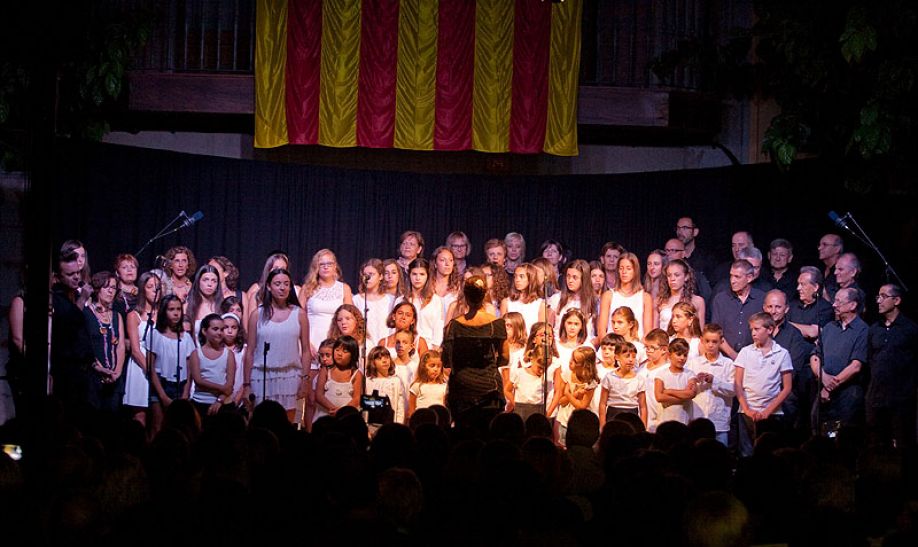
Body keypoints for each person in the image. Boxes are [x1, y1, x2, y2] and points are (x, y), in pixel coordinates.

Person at [243, 268, 311, 422]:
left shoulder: (299, 314)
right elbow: (250, 351)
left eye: (286, 284)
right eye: (278, 284)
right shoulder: (257, 315)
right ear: (269, 286)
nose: (282, 288)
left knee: (288, 422)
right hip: (262, 376)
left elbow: (306, 350)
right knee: (261, 421)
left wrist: (305, 380)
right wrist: (246, 385)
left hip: (290, 376)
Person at [441, 275, 509, 426]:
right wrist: (489, 365)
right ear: (485, 295)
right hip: (490, 388)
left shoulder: (454, 325)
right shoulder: (497, 324)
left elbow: (446, 361)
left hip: (462, 389)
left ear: (465, 296)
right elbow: (505, 357)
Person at [867, 284, 918, 452]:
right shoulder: (875, 329)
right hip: (876, 397)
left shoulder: (910, 329)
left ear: (896, 300)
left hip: (901, 398)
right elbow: (870, 358)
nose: (879, 301)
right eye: (878, 297)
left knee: (904, 444)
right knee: (877, 445)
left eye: (883, 296)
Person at [734, 312, 793, 457]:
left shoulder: (782, 353)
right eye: (751, 329)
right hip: (747, 412)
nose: (753, 333)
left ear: (770, 329)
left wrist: (768, 411)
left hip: (772, 413)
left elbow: (787, 387)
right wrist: (747, 409)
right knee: (746, 454)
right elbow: (737, 383)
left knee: (769, 453)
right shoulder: (745, 352)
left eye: (757, 329)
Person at [810, 287, 868, 432]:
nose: (834, 305)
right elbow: (815, 356)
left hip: (848, 394)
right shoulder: (829, 327)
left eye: (839, 302)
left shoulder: (863, 330)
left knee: (843, 433)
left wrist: (829, 387)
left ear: (852, 305)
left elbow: (856, 366)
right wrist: (823, 377)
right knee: (818, 430)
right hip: (822, 389)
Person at [50, 251, 95, 410]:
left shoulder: (74, 295)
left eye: (78, 272)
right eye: (70, 274)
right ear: (57, 277)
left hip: (83, 371)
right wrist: (82, 299)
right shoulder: (55, 298)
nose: (76, 277)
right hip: (66, 371)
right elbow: (68, 325)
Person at [148, 295, 195, 434]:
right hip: (161, 384)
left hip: (180, 385)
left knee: (179, 427)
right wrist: (162, 396)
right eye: (171, 309)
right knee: (158, 426)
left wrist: (186, 392)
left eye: (179, 309)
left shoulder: (185, 337)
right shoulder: (155, 335)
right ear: (164, 311)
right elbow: (151, 368)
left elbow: (190, 368)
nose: (176, 313)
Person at [763, 289, 809, 431]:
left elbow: (792, 370)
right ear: (764, 308)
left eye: (778, 307)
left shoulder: (794, 335)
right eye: (770, 307)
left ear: (786, 309)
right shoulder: (757, 332)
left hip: (784, 396)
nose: (773, 311)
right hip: (759, 394)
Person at [83, 271, 126, 414]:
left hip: (114, 378)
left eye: (113, 287)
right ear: (98, 288)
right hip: (94, 377)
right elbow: (86, 346)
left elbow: (120, 346)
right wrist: (100, 369)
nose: (110, 291)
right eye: (106, 287)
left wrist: (117, 372)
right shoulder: (86, 313)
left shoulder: (116, 316)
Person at [123, 271, 161, 426]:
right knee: (140, 416)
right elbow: (135, 350)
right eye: (150, 287)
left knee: (158, 416)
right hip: (141, 366)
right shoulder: (134, 315)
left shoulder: (164, 313)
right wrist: (151, 371)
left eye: (157, 287)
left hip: (160, 364)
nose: (154, 291)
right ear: (143, 290)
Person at [688, 324, 735, 446]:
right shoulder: (693, 363)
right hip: (698, 419)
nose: (710, 345)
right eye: (707, 341)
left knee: (720, 452)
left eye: (714, 342)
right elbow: (686, 388)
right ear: (702, 340)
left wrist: (714, 380)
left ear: (721, 342)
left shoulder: (728, 364)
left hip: (719, 421)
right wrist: (694, 381)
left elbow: (734, 390)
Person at [711, 259, 766, 359]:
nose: (732, 281)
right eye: (731, 276)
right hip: (725, 359)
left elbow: (766, 332)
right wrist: (735, 356)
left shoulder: (761, 299)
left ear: (749, 278)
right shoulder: (721, 299)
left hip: (755, 358)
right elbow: (716, 332)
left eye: (737, 277)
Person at [189, 314, 236, 418]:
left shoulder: (229, 354)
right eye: (215, 329)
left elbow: (229, 384)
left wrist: (219, 400)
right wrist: (222, 388)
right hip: (200, 402)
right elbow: (198, 380)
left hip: (223, 404)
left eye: (221, 329)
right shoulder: (196, 354)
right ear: (204, 331)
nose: (219, 333)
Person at [597, 252, 653, 339]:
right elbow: (601, 331)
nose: (624, 272)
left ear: (635, 271)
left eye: (628, 268)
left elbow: (648, 333)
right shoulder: (608, 296)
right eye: (621, 268)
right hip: (612, 345)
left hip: (636, 344)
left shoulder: (645, 298)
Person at [550, 346, 599, 445]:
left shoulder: (590, 382)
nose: (570, 362)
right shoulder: (567, 374)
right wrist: (575, 394)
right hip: (565, 421)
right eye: (571, 358)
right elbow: (561, 402)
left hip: (581, 423)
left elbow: (581, 407)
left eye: (575, 361)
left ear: (585, 365)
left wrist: (568, 394)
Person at [598, 341, 647, 428]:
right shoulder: (609, 377)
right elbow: (602, 403)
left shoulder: (639, 379)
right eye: (627, 356)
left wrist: (643, 427)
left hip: (632, 415)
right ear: (617, 357)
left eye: (633, 357)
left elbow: (643, 406)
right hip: (613, 414)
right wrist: (602, 425)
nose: (631, 360)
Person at [314, 335, 362, 420]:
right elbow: (319, 395)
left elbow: (356, 399)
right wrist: (333, 409)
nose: (339, 353)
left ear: (353, 355)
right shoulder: (325, 370)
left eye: (345, 351)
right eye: (337, 350)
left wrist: (341, 412)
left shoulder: (356, 374)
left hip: (346, 417)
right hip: (325, 415)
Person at [549, 260, 596, 343]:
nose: (570, 280)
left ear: (584, 279)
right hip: (559, 345)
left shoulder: (594, 301)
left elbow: (598, 334)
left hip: (584, 346)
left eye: (575, 277)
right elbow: (548, 328)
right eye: (568, 276)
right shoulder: (556, 299)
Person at [654, 337, 698, 426]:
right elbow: (659, 397)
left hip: (684, 422)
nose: (682, 358)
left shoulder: (690, 374)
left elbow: (691, 394)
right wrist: (684, 396)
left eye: (685, 355)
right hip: (665, 422)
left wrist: (669, 391)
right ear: (669, 355)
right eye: (679, 354)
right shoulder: (661, 374)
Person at [787, 266, 834, 346]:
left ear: (815, 287)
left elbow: (813, 332)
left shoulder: (825, 308)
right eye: (798, 284)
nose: (798, 288)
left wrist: (786, 324)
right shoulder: (792, 305)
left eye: (803, 284)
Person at [404, 258, 446, 348]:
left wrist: (435, 347)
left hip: (429, 347)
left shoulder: (435, 300)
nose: (418, 278)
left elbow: (438, 327)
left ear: (427, 276)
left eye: (422, 274)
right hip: (406, 348)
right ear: (409, 275)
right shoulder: (401, 300)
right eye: (414, 274)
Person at [352, 258, 396, 346]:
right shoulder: (356, 300)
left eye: (371, 274)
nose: (367, 278)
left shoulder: (390, 300)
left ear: (380, 276)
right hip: (364, 346)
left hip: (385, 346)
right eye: (365, 275)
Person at [656, 258, 706, 334]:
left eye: (677, 275)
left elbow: (700, 332)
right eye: (669, 275)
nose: (672, 279)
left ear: (686, 277)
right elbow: (654, 332)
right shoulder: (659, 301)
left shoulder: (698, 301)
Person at [365, 345, 406, 429]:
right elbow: (365, 407)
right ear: (373, 362)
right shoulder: (368, 382)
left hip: (391, 426)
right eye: (379, 358)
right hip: (371, 425)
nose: (384, 361)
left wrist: (398, 425)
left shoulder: (396, 381)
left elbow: (400, 407)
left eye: (387, 357)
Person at [505, 344, 548, 421]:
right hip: (521, 410)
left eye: (544, 368)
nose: (541, 371)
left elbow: (546, 394)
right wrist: (516, 404)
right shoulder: (519, 373)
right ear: (532, 359)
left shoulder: (545, 377)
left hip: (538, 411)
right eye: (539, 367)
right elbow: (507, 390)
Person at [500, 263, 546, 335]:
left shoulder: (540, 304)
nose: (517, 280)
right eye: (515, 276)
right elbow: (502, 329)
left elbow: (541, 330)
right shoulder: (506, 302)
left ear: (531, 279)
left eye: (521, 276)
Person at [640, 329, 671, 432]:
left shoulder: (668, 370)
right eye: (646, 347)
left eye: (652, 348)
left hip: (659, 421)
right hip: (641, 420)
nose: (648, 351)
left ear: (664, 349)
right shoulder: (641, 369)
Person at [185, 264, 224, 339]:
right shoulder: (186, 307)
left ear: (217, 285)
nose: (209, 284)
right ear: (198, 282)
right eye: (205, 280)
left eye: (214, 281)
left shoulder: (222, 307)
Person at [408, 350, 448, 417]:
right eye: (432, 366)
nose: (435, 369)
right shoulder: (417, 386)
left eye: (438, 366)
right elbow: (411, 409)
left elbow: (444, 408)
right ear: (423, 366)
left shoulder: (443, 387)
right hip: (421, 419)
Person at [221, 312, 247, 406]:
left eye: (233, 327)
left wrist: (237, 398)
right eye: (226, 327)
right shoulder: (217, 350)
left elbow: (246, 377)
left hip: (238, 398)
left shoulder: (244, 350)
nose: (229, 331)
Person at [430, 246, 461, 319]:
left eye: (450, 260)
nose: (447, 264)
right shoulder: (427, 286)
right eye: (442, 260)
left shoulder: (459, 287)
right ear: (435, 264)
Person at [817, 233, 844, 300]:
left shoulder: (843, 272)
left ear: (837, 249)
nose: (819, 248)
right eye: (819, 245)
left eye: (825, 245)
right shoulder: (820, 270)